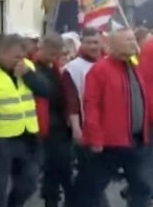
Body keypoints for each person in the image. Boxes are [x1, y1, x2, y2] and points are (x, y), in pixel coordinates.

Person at [73, 27, 153, 207]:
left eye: (133, 39)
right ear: (113, 45)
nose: (134, 43)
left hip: (136, 140)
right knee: (92, 188)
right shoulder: (100, 70)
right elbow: (91, 105)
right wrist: (95, 138)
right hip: (109, 143)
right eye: (128, 41)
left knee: (142, 186)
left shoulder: (133, 65)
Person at [0, 34, 50, 207]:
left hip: (27, 135)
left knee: (29, 182)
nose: (20, 61)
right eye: (16, 57)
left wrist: (28, 75)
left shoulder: (27, 66)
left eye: (23, 56)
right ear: (3, 53)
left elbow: (46, 90)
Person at [61, 28, 110, 207]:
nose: (92, 46)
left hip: (108, 127)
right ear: (82, 43)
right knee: (90, 171)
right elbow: (71, 100)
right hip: (85, 125)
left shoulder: (107, 63)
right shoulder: (72, 68)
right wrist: (76, 127)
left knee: (95, 173)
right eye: (88, 42)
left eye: (95, 42)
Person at [33, 33, 72, 207]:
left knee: (61, 166)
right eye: (51, 54)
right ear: (41, 47)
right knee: (48, 166)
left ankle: (53, 198)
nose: (54, 58)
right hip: (41, 124)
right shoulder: (31, 67)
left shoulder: (54, 67)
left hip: (58, 125)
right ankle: (51, 198)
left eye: (57, 55)